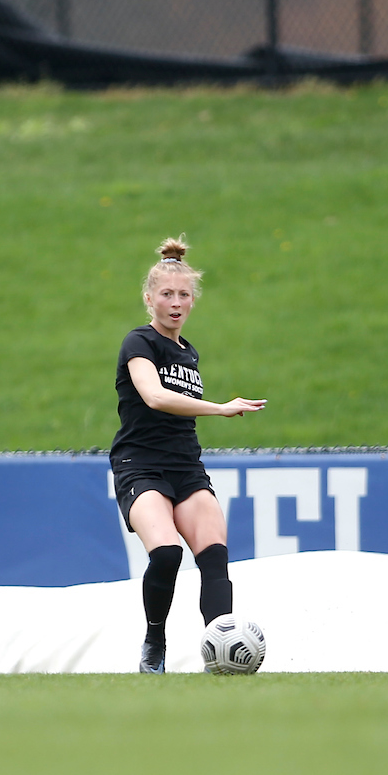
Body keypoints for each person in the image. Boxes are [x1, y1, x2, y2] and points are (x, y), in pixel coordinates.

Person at [110, 236, 266, 674]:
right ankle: (154, 643)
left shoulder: (189, 352)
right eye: (166, 294)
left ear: (193, 301)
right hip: (139, 465)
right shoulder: (138, 342)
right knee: (165, 554)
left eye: (184, 295)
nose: (176, 302)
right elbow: (155, 397)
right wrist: (219, 407)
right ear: (149, 299)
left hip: (186, 468)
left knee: (214, 556)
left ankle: (221, 655)